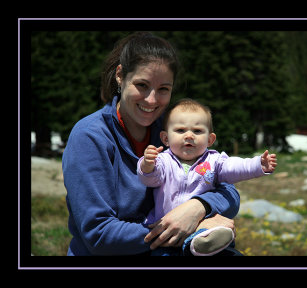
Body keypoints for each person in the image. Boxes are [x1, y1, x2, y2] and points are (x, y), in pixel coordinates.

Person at [62, 32, 241, 256]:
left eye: (163, 89)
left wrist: (198, 207)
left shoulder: (171, 131)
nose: (152, 100)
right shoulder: (90, 136)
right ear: (120, 75)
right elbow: (98, 235)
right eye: (142, 85)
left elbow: (228, 192)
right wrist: (185, 229)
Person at [138, 98, 277, 256]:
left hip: (200, 224)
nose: (189, 135)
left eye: (197, 131)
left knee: (208, 232)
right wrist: (147, 164)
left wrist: (258, 165)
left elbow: (234, 167)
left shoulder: (214, 161)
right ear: (165, 139)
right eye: (180, 130)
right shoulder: (163, 160)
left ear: (210, 139)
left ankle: (205, 243)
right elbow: (150, 179)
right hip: (166, 233)